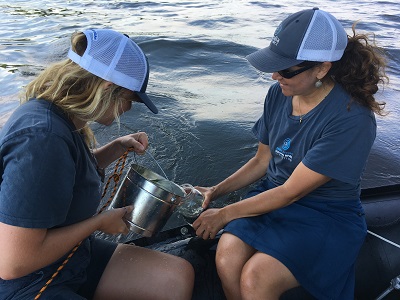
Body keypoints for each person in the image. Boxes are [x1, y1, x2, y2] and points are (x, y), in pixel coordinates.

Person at [192, 7, 388, 300]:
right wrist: (215, 192)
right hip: (271, 195)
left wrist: (224, 215)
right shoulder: (280, 93)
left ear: (322, 68)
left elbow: (291, 193)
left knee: (256, 279)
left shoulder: (352, 119)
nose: (274, 75)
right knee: (227, 255)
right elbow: (263, 159)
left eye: (285, 69)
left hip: (324, 213)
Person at [0, 29, 194, 299]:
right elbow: (13, 263)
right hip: (30, 283)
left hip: (72, 257)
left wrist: (116, 148)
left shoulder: (62, 118)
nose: (128, 109)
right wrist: (99, 223)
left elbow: (65, 175)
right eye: (131, 99)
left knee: (176, 277)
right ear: (106, 87)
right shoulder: (42, 138)